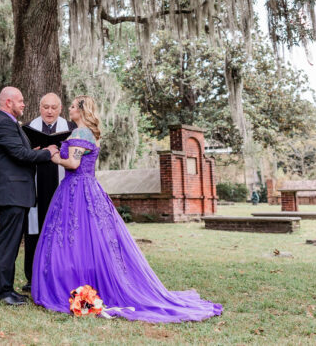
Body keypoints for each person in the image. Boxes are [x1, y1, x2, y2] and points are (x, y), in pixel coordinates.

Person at [32, 96, 222, 322]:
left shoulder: (80, 133)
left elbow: (73, 164)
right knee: (89, 239)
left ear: (81, 111)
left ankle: (77, 284)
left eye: (72, 106)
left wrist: (52, 154)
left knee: (76, 238)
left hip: (77, 189)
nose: (69, 110)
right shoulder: (90, 134)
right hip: (87, 188)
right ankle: (83, 282)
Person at [0, 86, 57, 306]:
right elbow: (20, 154)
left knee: (12, 242)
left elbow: (18, 152)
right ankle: (1, 292)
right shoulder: (3, 124)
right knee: (7, 243)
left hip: (17, 193)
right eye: (20, 101)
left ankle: (6, 289)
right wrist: (48, 152)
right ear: (8, 102)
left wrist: (35, 150)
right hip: (11, 193)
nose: (24, 104)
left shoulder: (9, 124)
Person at [22, 93, 77, 293]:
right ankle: (32, 277)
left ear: (60, 109)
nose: (50, 111)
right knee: (33, 232)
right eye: (46, 107)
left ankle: (61, 276)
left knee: (62, 231)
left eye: (54, 107)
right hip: (36, 186)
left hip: (61, 186)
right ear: (39, 107)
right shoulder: (27, 129)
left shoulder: (72, 129)